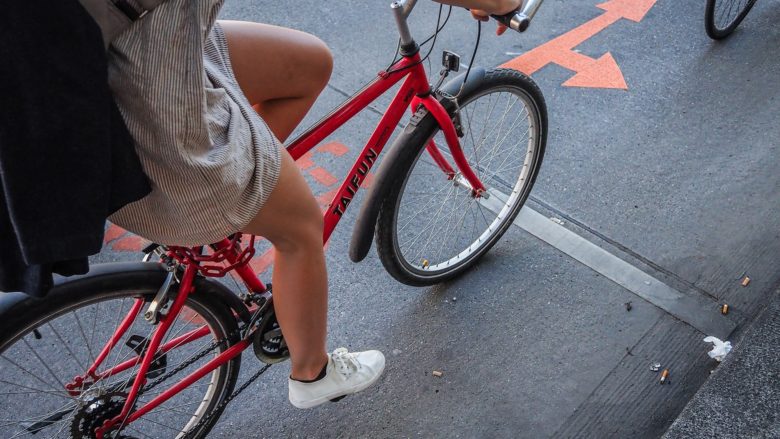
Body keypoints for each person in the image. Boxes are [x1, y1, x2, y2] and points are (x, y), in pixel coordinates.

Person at [107, 0, 522, 409]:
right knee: (303, 227)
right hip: (153, 99)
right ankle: (313, 374)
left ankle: (234, 201)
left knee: (310, 62)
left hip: (142, 50)